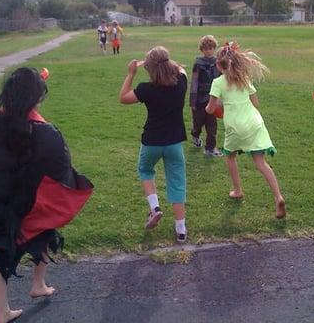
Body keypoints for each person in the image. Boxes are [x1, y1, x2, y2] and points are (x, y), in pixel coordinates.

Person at [0, 67, 94, 323]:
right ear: (34, 99)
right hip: (25, 206)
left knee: (7, 252)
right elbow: (61, 165)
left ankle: (21, 298)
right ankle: (30, 290)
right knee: (43, 232)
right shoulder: (44, 132)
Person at [205, 42, 286, 219]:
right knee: (261, 162)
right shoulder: (244, 79)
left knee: (230, 156)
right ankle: (278, 197)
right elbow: (255, 103)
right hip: (255, 123)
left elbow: (210, 110)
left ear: (219, 65)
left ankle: (237, 189)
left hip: (235, 126)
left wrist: (218, 104)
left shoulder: (218, 82)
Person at [119, 46, 189, 243]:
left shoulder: (146, 89)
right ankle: (181, 229)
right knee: (177, 182)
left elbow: (123, 98)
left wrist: (130, 74)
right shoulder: (181, 83)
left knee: (146, 171)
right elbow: (180, 69)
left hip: (151, 142)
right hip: (174, 142)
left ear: (149, 68)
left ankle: (155, 208)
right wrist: (164, 60)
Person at [189, 35, 222, 157]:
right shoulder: (198, 63)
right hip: (199, 99)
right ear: (202, 50)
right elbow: (194, 82)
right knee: (198, 123)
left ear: (214, 48)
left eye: (211, 48)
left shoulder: (218, 62)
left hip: (212, 98)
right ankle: (195, 135)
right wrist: (193, 102)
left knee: (211, 125)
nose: (208, 51)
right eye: (206, 48)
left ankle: (210, 148)